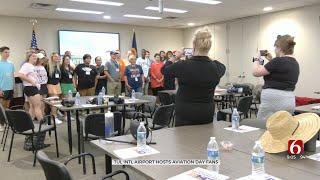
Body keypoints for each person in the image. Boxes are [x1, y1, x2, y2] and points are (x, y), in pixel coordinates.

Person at [162, 27, 226, 126]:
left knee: (184, 139)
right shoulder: (217, 67)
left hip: (185, 112)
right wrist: (205, 54)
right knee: (204, 138)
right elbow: (217, 64)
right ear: (209, 47)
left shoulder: (183, 65)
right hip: (206, 112)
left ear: (193, 45)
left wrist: (175, 56)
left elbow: (164, 70)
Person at [252, 35, 299, 123]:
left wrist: (257, 57)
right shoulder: (294, 63)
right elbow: (280, 70)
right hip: (288, 100)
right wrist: (271, 60)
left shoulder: (277, 61)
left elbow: (255, 72)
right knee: (281, 127)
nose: (274, 50)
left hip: (273, 102)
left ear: (280, 48)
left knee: (262, 127)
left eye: (275, 48)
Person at [18, 52, 43, 122]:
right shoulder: (26, 65)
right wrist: (31, 81)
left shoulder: (32, 66)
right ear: (29, 57)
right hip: (31, 88)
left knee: (32, 107)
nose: (35, 57)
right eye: (33, 56)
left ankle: (29, 124)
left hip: (32, 88)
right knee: (38, 107)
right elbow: (20, 75)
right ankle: (42, 126)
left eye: (36, 56)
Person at [0, 46, 14, 131]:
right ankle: (1, 124)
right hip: (2, 88)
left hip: (10, 88)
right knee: (1, 107)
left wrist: (13, 88)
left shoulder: (11, 64)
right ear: (1, 53)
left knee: (7, 107)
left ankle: (6, 122)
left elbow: (12, 76)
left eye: (8, 52)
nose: (7, 54)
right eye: (6, 52)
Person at [46, 52, 62, 124]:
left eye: (58, 57)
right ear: (51, 57)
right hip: (51, 86)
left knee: (56, 102)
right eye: (55, 56)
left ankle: (55, 115)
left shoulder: (58, 66)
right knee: (54, 102)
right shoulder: (48, 66)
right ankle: (54, 117)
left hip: (57, 85)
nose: (57, 58)